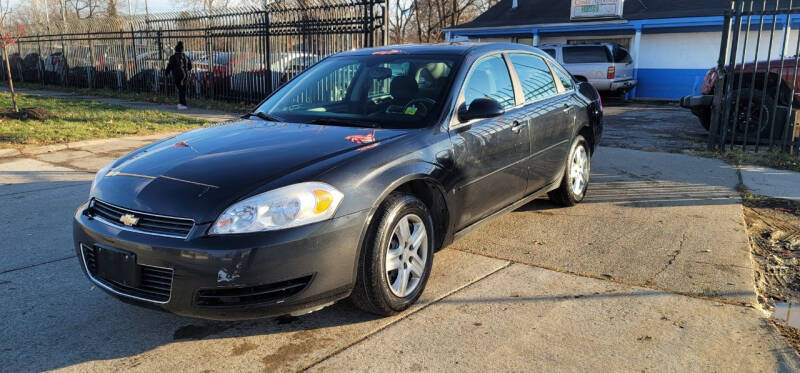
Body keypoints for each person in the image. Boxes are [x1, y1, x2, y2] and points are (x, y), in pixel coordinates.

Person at [166, 41, 192, 110]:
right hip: (185, 75)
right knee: (183, 89)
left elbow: (169, 66)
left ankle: (182, 104)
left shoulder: (173, 57)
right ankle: (183, 104)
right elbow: (190, 67)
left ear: (175, 49)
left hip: (177, 74)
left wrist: (166, 73)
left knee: (180, 89)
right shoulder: (186, 57)